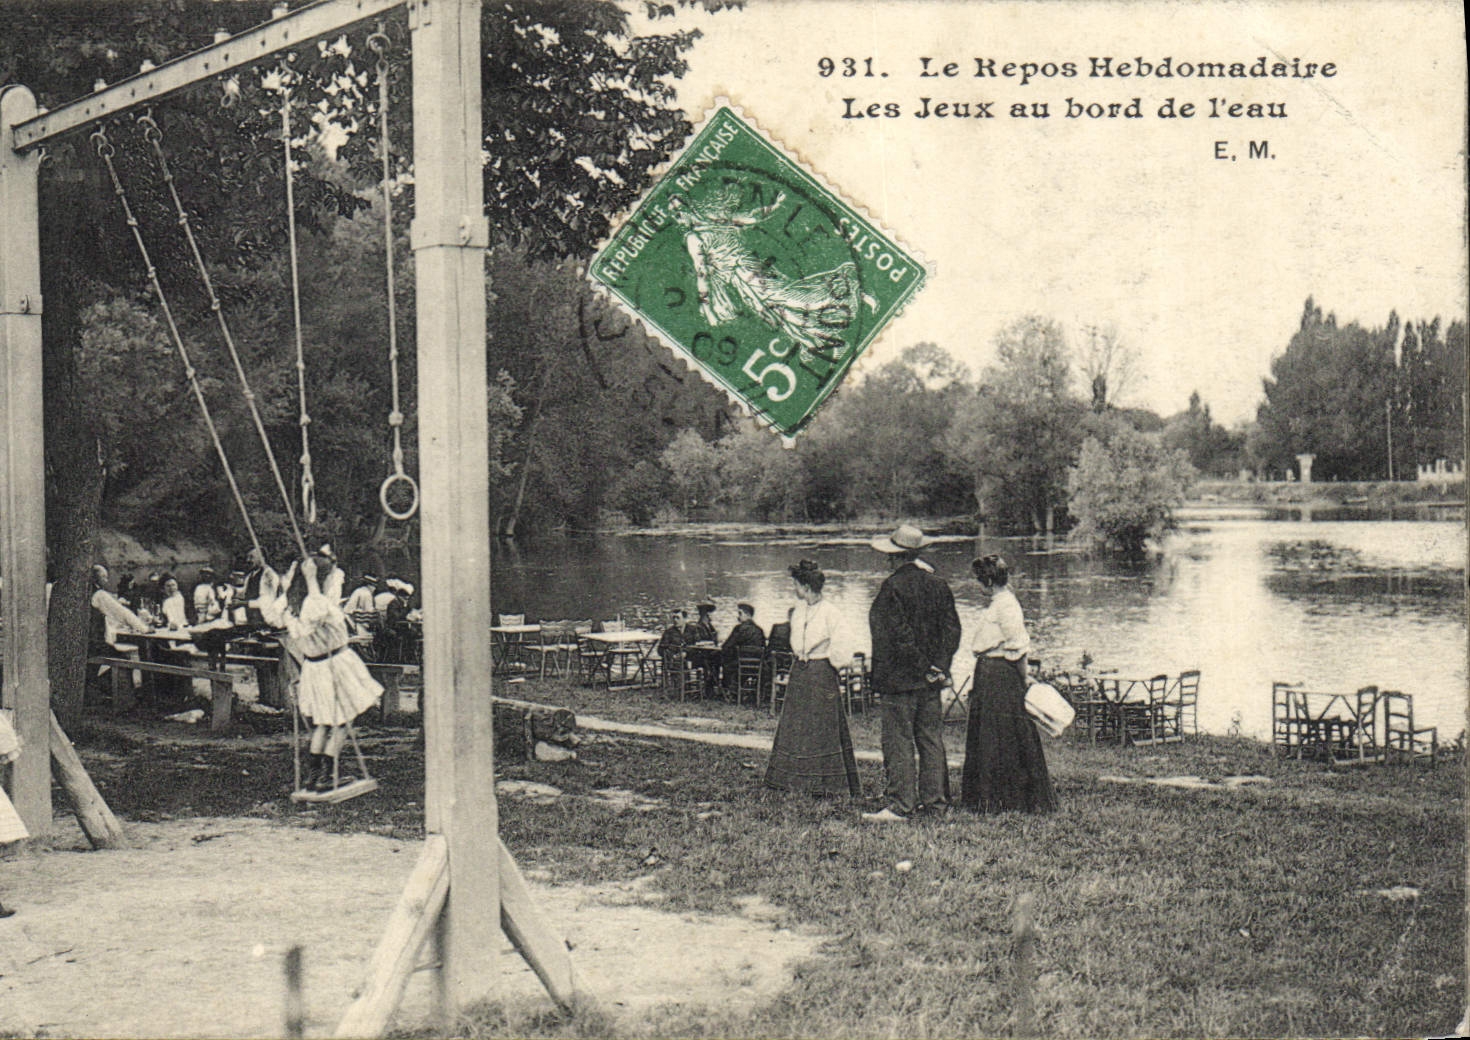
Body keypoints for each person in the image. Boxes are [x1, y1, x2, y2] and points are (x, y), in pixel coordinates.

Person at [863, 523, 962, 822]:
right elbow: (953, 630)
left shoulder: (891, 588)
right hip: (931, 682)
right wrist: (939, 667)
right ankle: (935, 803)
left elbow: (896, 636)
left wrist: (924, 666)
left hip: (900, 682)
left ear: (895, 557)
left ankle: (900, 804)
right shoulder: (939, 585)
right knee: (931, 740)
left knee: (899, 740)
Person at [264, 553, 382, 793]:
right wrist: (311, 578)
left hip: (315, 666)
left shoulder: (291, 604)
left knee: (323, 722)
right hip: (335, 664)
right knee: (342, 720)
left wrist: (290, 583)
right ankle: (326, 775)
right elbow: (317, 607)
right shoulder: (314, 603)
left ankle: (314, 774)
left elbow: (275, 615)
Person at [960, 554, 1056, 814]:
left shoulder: (1007, 605)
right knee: (987, 733)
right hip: (988, 671)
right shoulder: (997, 604)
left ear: (990, 580)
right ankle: (986, 797)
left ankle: (1009, 797)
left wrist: (1023, 679)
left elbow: (1019, 646)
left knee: (1002, 733)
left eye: (981, 581)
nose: (979, 586)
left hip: (1001, 675)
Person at [764, 560, 860, 796]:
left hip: (821, 672)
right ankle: (792, 779)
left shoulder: (831, 612)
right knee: (797, 724)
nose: (794, 589)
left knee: (821, 725)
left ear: (806, 586)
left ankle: (825, 782)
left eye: (796, 585)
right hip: (801, 671)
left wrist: (832, 663)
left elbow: (843, 644)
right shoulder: (798, 611)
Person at [721, 602, 766, 694]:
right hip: (757, 665)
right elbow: (763, 648)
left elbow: (727, 646)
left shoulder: (739, 628)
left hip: (739, 665)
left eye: (740, 613)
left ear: (747, 614)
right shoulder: (759, 630)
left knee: (719, 659)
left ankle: (726, 688)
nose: (738, 616)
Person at [684, 602, 720, 694]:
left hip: (708, 654)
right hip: (700, 655)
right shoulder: (698, 627)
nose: (710, 617)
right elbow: (698, 642)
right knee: (713, 660)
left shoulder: (710, 627)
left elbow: (715, 640)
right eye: (708, 614)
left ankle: (713, 685)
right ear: (705, 615)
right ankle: (709, 687)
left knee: (717, 658)